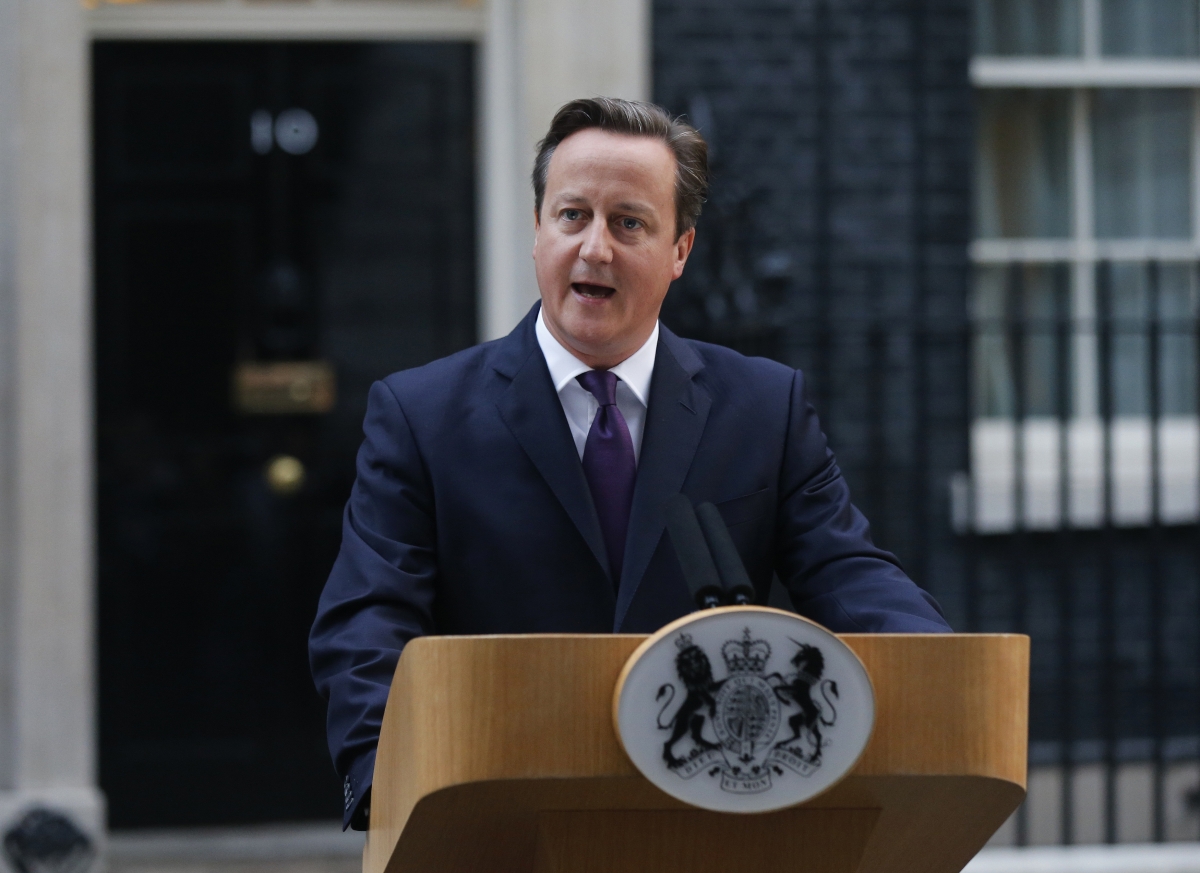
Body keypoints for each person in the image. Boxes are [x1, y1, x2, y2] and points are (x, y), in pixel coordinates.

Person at [309, 97, 951, 831]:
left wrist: (943, 673)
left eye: (629, 222)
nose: (594, 248)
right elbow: (368, 616)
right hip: (501, 818)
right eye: (572, 215)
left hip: (706, 821)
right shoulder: (419, 415)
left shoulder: (765, 406)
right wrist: (386, 778)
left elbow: (848, 570)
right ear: (538, 231)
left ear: (681, 250)